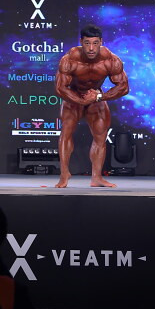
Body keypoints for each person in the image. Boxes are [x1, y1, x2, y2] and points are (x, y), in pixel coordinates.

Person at [54, 24, 129, 188]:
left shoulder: (111, 60)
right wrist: (81, 101)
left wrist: (99, 97)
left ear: (101, 42)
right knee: (66, 132)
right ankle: (64, 174)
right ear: (81, 42)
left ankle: (97, 178)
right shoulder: (70, 59)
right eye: (87, 43)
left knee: (100, 136)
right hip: (73, 96)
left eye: (95, 43)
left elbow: (124, 87)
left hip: (96, 97)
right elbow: (60, 88)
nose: (91, 48)